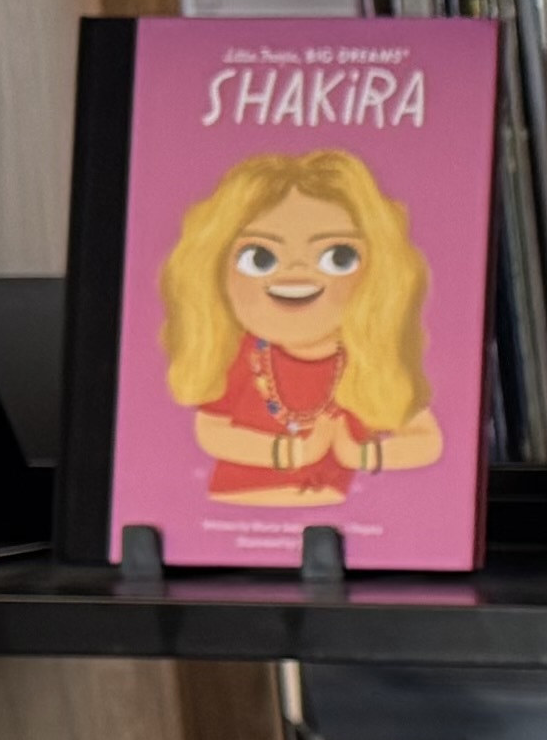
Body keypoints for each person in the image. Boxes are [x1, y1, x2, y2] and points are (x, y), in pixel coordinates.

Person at [154, 147, 448, 505]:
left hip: (334, 533)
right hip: (234, 509)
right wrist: (292, 454)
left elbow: (428, 441)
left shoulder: (370, 363)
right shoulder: (240, 354)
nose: (295, 274)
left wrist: (361, 456)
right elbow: (211, 432)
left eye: (339, 257)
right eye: (259, 257)